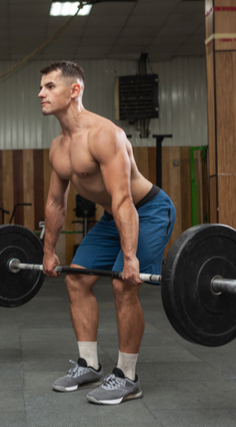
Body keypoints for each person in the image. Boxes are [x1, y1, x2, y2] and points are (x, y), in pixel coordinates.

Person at [38, 61, 176, 405]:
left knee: (122, 284)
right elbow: (55, 203)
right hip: (113, 217)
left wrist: (129, 259)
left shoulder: (105, 135)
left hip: (147, 210)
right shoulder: (58, 147)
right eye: (40, 87)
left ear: (74, 91)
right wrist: (48, 250)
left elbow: (124, 198)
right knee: (76, 279)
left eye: (50, 86)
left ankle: (128, 378)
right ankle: (89, 364)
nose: (41, 93)